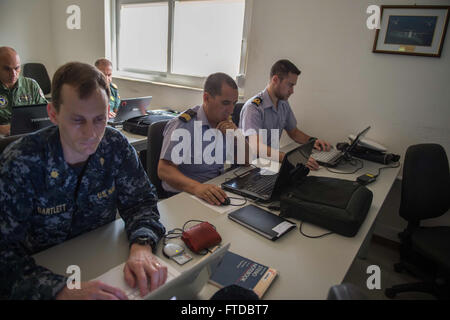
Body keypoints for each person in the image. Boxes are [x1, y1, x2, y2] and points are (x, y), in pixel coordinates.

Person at [0, 62, 167, 300]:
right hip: (39, 274)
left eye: (99, 119)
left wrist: (141, 245)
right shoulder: (21, 161)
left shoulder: (115, 145)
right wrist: (60, 290)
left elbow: (141, 202)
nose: (91, 134)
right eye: (78, 120)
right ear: (53, 114)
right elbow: (4, 253)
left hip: (104, 262)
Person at [158, 73, 250, 206]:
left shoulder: (225, 123)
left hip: (215, 189)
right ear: (206, 98)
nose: (231, 110)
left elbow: (246, 162)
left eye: (234, 104)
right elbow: (164, 169)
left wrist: (238, 137)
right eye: (225, 103)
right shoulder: (184, 125)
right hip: (185, 194)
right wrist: (197, 188)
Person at [239, 59, 331, 170]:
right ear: (275, 80)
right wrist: (289, 158)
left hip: (270, 163)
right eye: (290, 85)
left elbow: (294, 132)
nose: (292, 91)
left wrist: (312, 141)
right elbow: (256, 147)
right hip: (251, 167)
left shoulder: (283, 103)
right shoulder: (254, 107)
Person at [0, 47, 47, 136]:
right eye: (7, 69)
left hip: (30, 135)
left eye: (17, 68)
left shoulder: (31, 85)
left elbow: (45, 114)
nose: (14, 74)